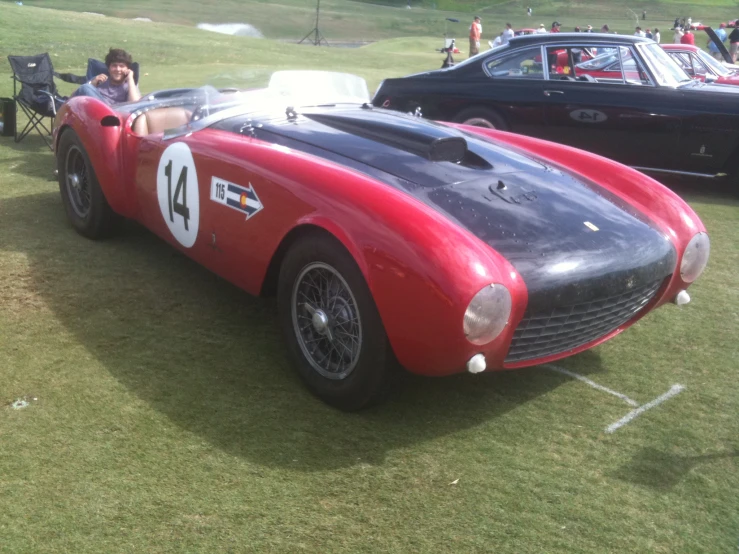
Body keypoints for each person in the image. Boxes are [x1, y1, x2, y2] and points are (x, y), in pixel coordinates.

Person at [70, 48, 141, 105]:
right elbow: (73, 97)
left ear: (127, 69)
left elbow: (135, 105)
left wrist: (130, 79)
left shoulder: (130, 85)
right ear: (108, 68)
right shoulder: (99, 80)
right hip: (97, 113)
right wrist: (92, 84)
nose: (118, 69)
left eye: (122, 66)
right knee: (85, 87)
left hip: (117, 115)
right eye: (114, 65)